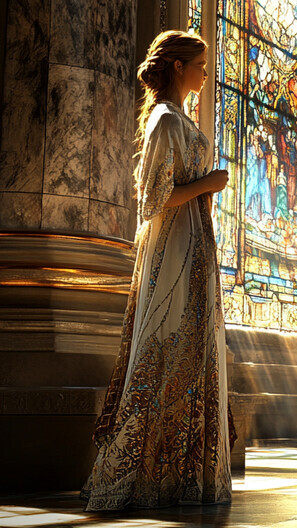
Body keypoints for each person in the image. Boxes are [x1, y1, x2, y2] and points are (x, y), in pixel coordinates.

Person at [81, 30, 236, 511]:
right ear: (177, 67)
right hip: (172, 246)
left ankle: (180, 473)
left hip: (194, 242)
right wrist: (209, 183)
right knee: (163, 344)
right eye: (200, 63)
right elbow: (153, 200)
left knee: (192, 349)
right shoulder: (165, 121)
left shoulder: (180, 119)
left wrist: (207, 191)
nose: (206, 71)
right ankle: (140, 472)